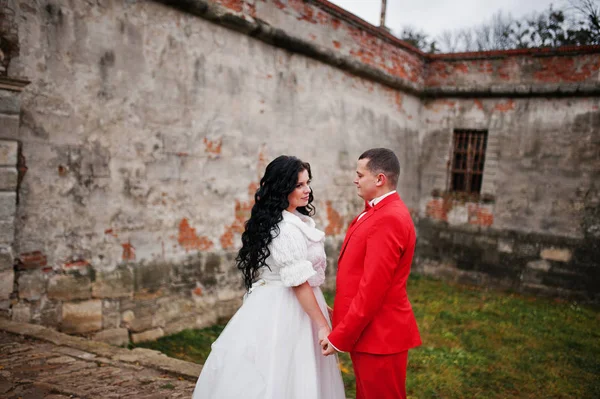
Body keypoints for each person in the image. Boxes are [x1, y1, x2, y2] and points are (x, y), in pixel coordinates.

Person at [192, 155, 346, 399]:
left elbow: (305, 280)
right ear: (281, 188)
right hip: (284, 308)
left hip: (301, 303)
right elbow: (298, 283)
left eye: (308, 183)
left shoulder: (295, 219)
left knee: (297, 372)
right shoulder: (284, 229)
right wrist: (322, 325)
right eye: (299, 185)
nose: (307, 190)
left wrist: (323, 308)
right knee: (280, 370)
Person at [321, 148, 422, 399]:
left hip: (380, 336)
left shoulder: (389, 217)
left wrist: (340, 337)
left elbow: (373, 288)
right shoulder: (377, 212)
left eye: (360, 174)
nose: (355, 180)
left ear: (380, 179)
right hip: (369, 333)